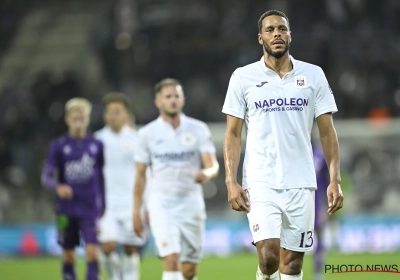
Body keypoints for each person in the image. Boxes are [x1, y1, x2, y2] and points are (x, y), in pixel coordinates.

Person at [222, 10, 344, 280]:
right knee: (268, 257)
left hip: (301, 181)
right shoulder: (243, 77)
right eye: (270, 30)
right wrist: (231, 180)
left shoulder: (313, 75)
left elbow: (327, 132)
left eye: (281, 28)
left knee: (292, 265)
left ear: (290, 35)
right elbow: (232, 133)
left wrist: (334, 180)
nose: (276, 33)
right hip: (260, 179)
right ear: (260, 38)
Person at [133, 78, 219, 280]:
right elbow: (140, 175)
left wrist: (207, 173)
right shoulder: (147, 134)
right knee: (171, 260)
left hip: (191, 203)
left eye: (176, 96)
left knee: (189, 271)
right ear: (158, 102)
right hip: (162, 204)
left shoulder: (198, 129)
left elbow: (212, 164)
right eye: (168, 96)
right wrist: (136, 211)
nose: (173, 100)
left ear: (183, 100)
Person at [41, 98, 105, 280]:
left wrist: (103, 206)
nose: (79, 122)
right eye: (75, 118)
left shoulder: (96, 145)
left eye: (82, 118)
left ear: (88, 119)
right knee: (68, 254)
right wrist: (57, 187)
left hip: (90, 208)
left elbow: (101, 178)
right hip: (64, 210)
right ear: (67, 119)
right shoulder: (58, 145)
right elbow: (46, 176)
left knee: (93, 252)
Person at [95, 93, 146, 280]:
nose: (113, 116)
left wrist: (145, 205)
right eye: (110, 112)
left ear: (126, 114)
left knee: (130, 248)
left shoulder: (137, 139)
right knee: (108, 246)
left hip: (131, 203)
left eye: (118, 112)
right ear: (104, 115)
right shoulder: (97, 141)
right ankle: (114, 275)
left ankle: (130, 275)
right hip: (105, 205)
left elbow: (145, 174)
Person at [312, 143, 330, 280]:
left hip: (317, 203)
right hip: (298, 202)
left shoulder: (319, 154)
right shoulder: (295, 151)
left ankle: (318, 271)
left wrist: (325, 204)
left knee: (319, 236)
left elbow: (326, 181)